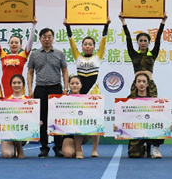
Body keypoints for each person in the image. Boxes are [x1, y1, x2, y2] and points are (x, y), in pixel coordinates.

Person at [64, 17, 110, 157]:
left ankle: (95, 149)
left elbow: (103, 42)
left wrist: (106, 25)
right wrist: (68, 26)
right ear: (82, 46)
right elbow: (72, 42)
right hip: (80, 95)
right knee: (78, 122)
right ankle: (79, 149)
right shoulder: (78, 57)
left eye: (90, 44)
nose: (88, 46)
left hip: (94, 94)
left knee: (95, 122)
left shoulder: (98, 57)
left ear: (94, 47)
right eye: (85, 44)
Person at [27, 27, 69, 158]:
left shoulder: (59, 53)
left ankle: (58, 147)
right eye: (44, 37)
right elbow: (30, 72)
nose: (47, 39)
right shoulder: (34, 54)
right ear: (40, 39)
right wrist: (30, 89)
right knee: (42, 119)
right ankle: (44, 148)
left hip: (56, 88)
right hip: (40, 89)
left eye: (49, 36)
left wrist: (66, 88)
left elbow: (65, 71)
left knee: (57, 119)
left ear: (53, 38)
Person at [119, 12, 167, 98]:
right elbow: (128, 38)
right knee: (133, 103)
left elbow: (158, 37)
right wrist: (123, 22)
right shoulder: (133, 54)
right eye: (140, 41)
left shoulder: (152, 54)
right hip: (137, 84)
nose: (143, 43)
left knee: (152, 104)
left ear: (148, 42)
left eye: (145, 41)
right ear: (137, 42)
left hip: (149, 84)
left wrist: (163, 22)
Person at [0, 16, 37, 98]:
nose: (14, 44)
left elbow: (30, 42)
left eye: (16, 43)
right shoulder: (3, 55)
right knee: (4, 104)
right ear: (9, 44)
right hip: (5, 84)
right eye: (11, 42)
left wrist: (33, 25)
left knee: (18, 103)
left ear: (20, 45)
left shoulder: (23, 56)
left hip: (18, 85)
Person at [125, 72, 164, 159]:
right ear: (135, 84)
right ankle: (144, 147)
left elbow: (161, 116)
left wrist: (168, 123)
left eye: (144, 81)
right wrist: (118, 125)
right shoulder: (129, 99)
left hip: (151, 128)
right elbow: (124, 117)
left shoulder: (154, 100)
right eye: (139, 81)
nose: (141, 84)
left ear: (148, 84)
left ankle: (155, 147)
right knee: (134, 155)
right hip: (136, 130)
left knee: (163, 123)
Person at [1, 74, 35, 159]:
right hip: (8, 134)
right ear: (11, 85)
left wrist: (37, 122)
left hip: (23, 133)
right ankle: (14, 147)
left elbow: (33, 117)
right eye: (14, 83)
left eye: (19, 83)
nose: (16, 85)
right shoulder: (5, 100)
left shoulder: (29, 100)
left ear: (23, 84)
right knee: (7, 154)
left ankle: (19, 148)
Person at [60, 76, 93, 159]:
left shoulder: (87, 100)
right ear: (69, 85)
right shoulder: (63, 100)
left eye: (77, 83)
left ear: (81, 85)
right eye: (72, 83)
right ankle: (75, 146)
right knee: (68, 154)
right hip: (69, 134)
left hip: (83, 133)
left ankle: (81, 149)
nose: (74, 85)